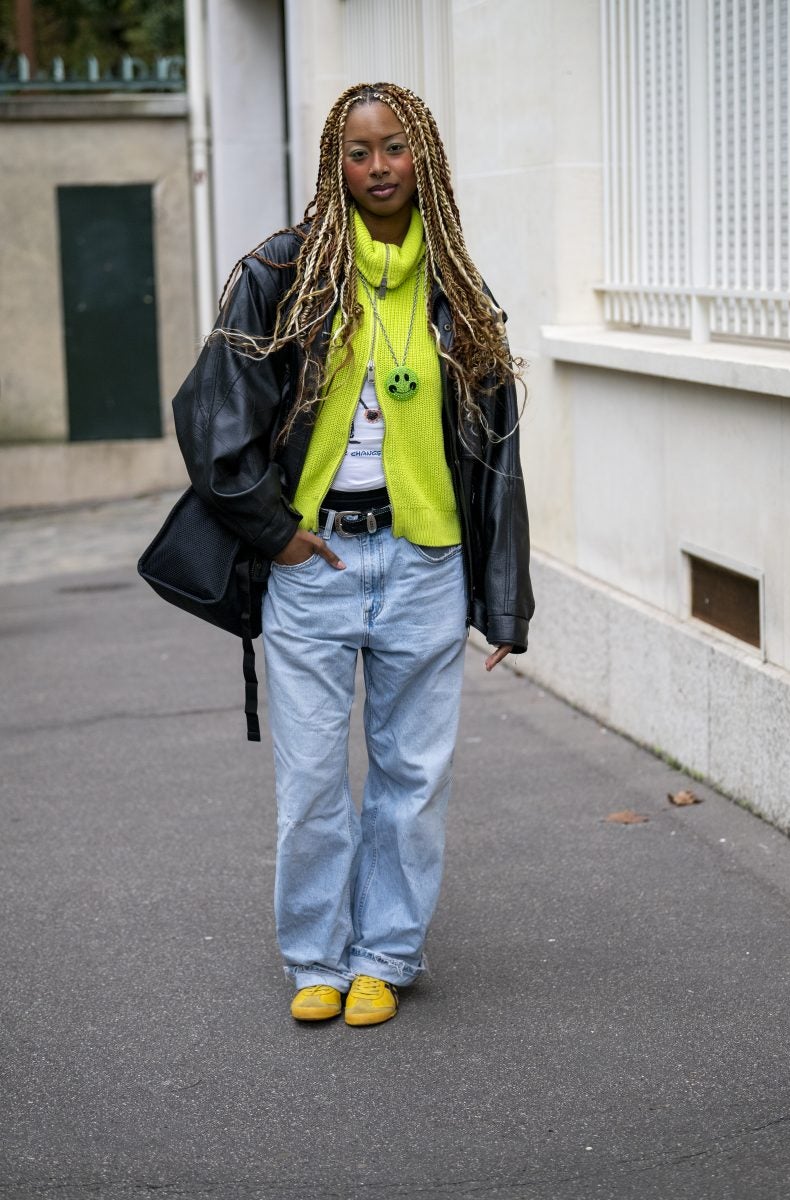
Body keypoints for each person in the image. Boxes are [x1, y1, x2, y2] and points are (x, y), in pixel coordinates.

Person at [172, 82, 534, 1027]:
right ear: (336, 164)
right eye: (359, 152)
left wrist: (504, 601)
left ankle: (384, 956)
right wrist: (274, 530)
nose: (378, 168)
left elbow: (496, 460)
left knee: (412, 783)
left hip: (423, 563)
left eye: (395, 148)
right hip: (315, 562)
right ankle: (315, 961)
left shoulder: (459, 290)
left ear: (426, 158)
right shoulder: (282, 275)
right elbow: (212, 416)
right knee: (312, 785)